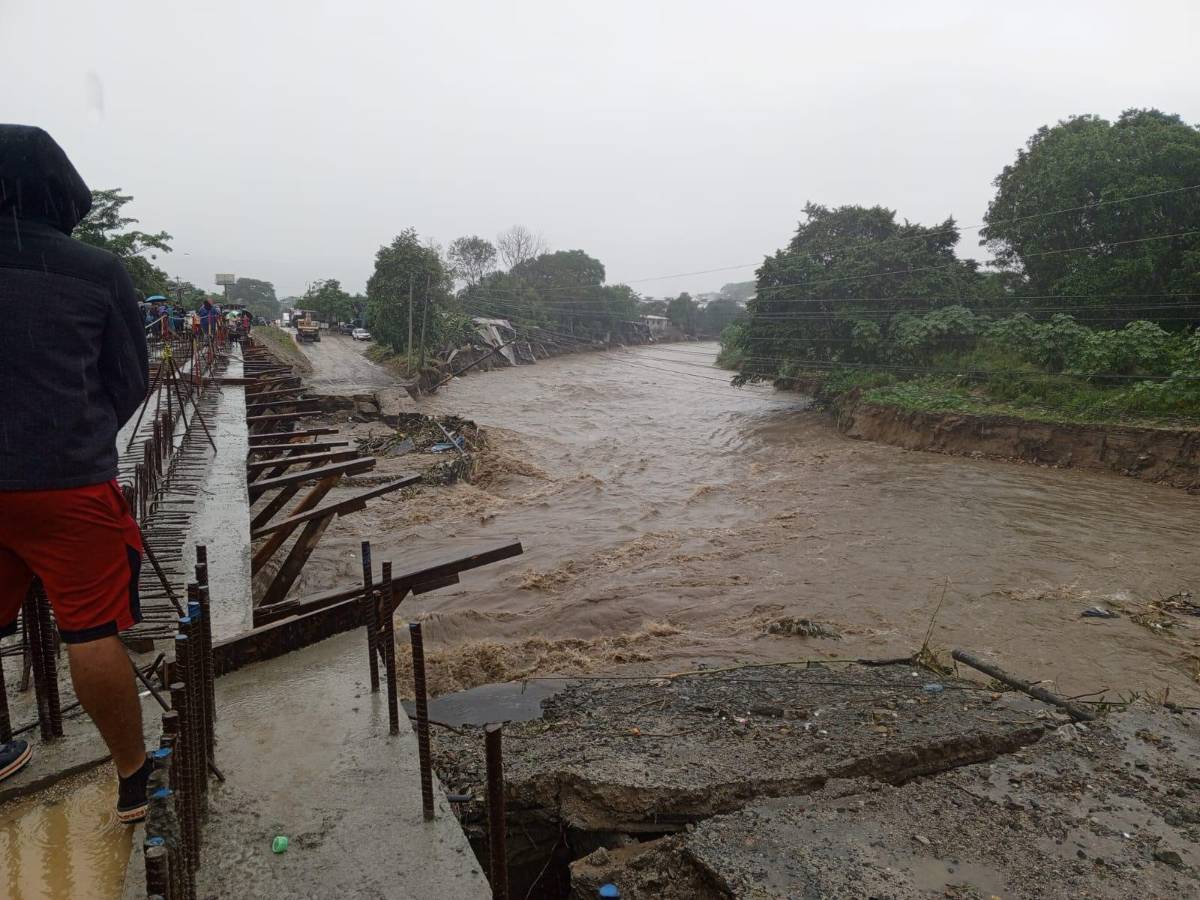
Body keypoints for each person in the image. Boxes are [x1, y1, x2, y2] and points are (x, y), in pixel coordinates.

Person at [0, 125, 153, 821]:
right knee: (90, 631)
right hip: (67, 483)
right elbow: (127, 381)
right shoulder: (96, 271)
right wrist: (82, 434)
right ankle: (131, 777)